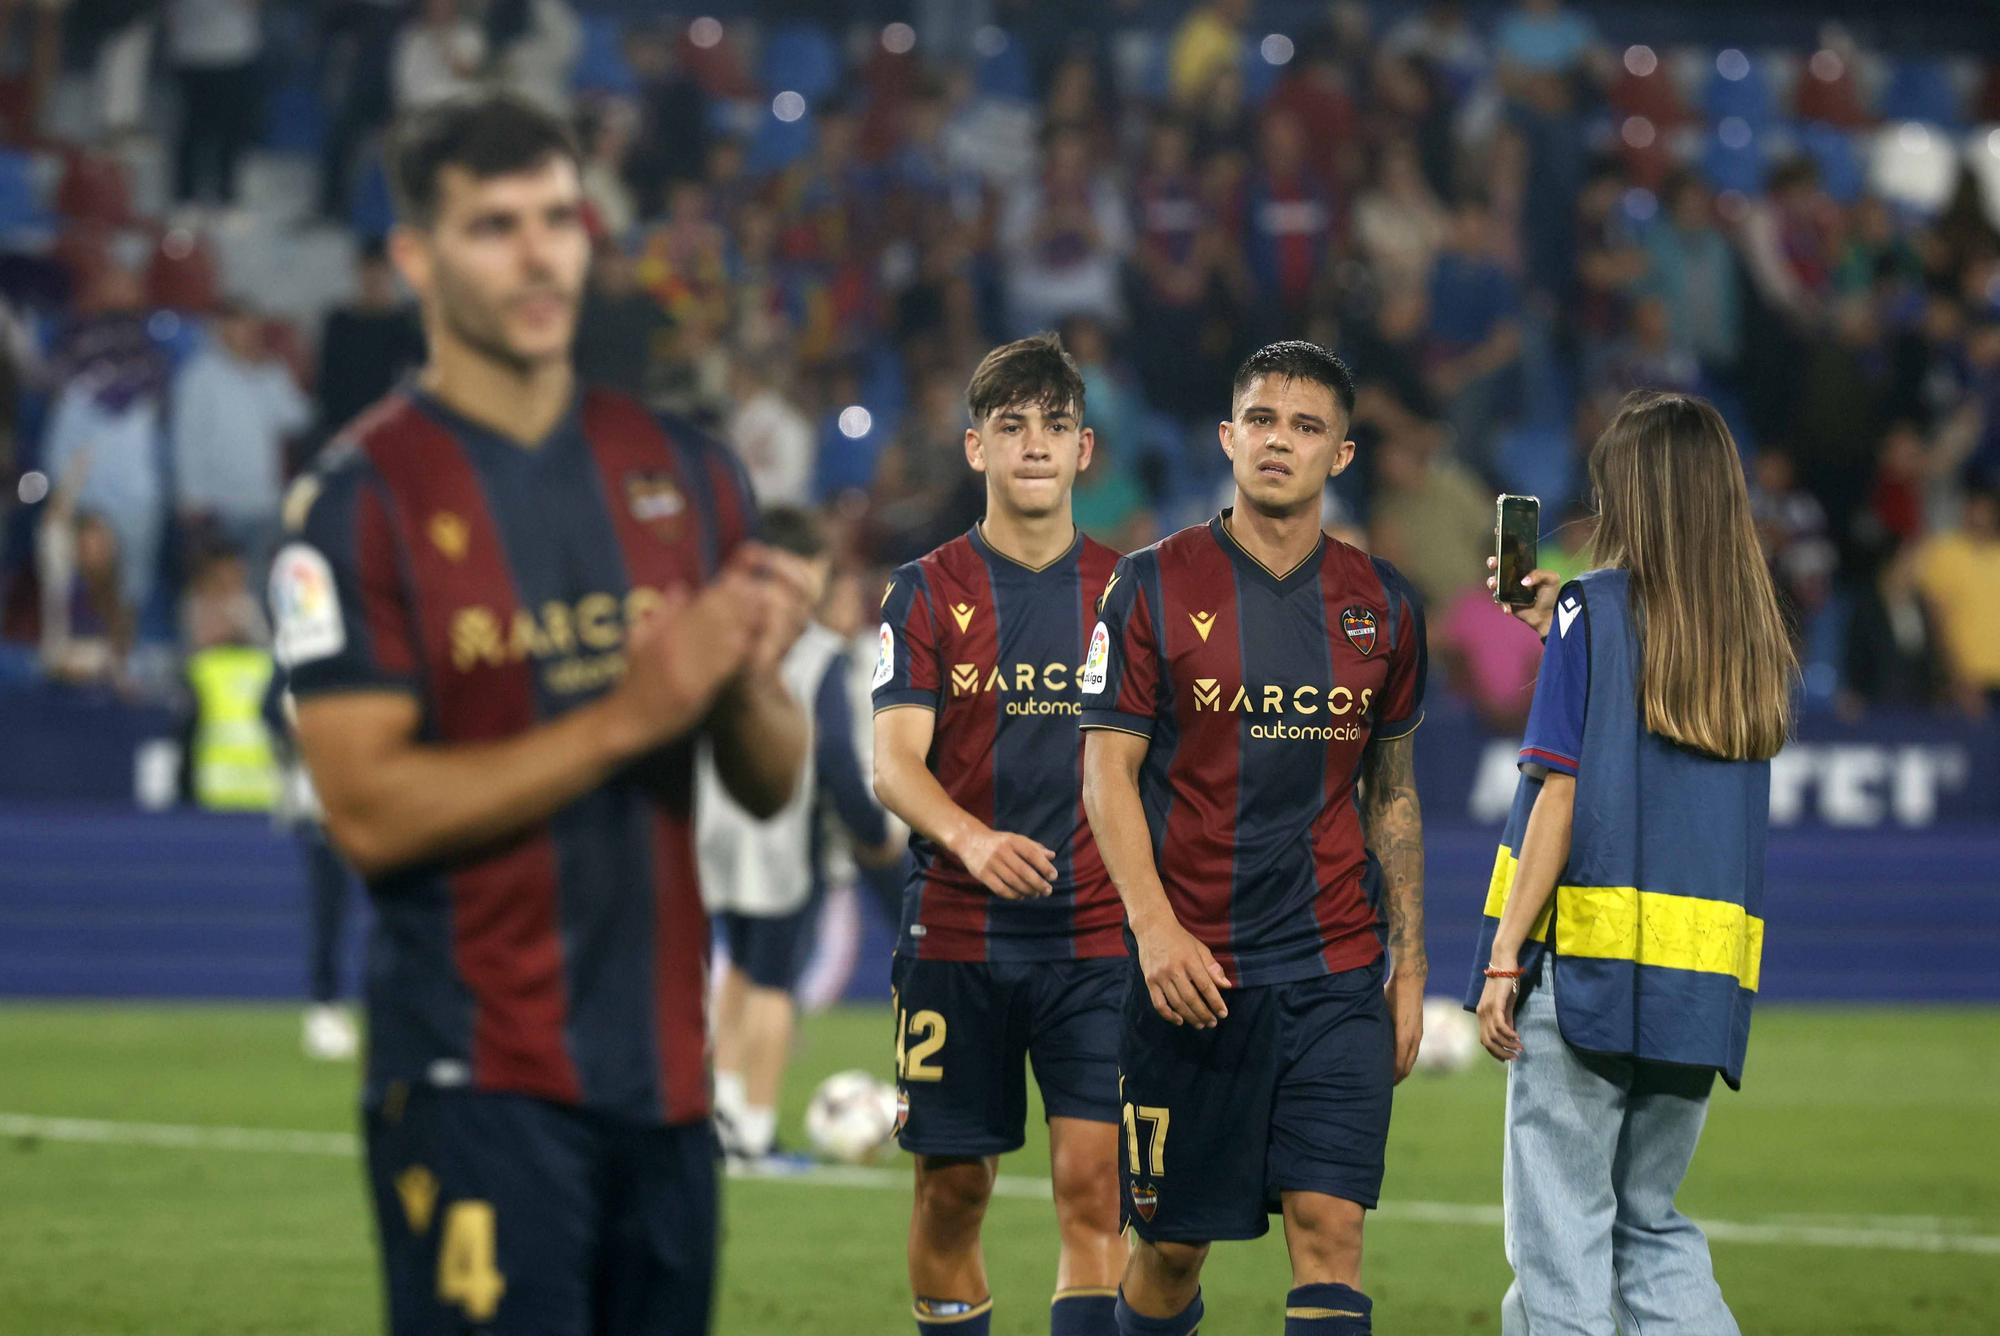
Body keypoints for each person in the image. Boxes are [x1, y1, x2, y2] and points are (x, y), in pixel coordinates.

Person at [271, 93, 814, 1335]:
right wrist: (628, 714)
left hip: (672, 1092)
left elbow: (771, 777)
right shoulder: (359, 502)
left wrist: (745, 677)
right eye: (494, 225)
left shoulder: (687, 468)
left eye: (559, 219)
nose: (538, 254)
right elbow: (367, 810)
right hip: (473, 1084)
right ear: (416, 257)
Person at [1081, 341, 1429, 1335]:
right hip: (1188, 977)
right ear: (1228, 437)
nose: (1280, 440)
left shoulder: (1383, 607)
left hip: (1332, 971)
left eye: (1306, 426)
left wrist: (1405, 968)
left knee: (1328, 1230)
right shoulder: (1146, 585)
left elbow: (1391, 796)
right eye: (1263, 421)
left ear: (1341, 456)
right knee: (1173, 1248)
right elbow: (1103, 771)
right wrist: (1151, 930)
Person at [1469, 391, 1795, 1335]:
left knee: (1559, 1251)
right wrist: (1562, 633)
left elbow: (1561, 796)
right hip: (1701, 986)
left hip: (1591, 978)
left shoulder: (1594, 610)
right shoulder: (1753, 639)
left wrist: (1502, 958)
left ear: (1637, 496)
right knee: (1650, 1231)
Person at [872, 333, 1127, 1336]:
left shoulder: (1131, 593)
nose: (1033, 445)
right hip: (955, 929)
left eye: (1053, 427)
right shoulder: (925, 589)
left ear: (1084, 450)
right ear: (974, 447)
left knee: (1092, 1180)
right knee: (952, 1192)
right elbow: (894, 762)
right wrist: (971, 841)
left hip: (1096, 934)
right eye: (1010, 426)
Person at [699, 505, 902, 1168]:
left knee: (739, 975)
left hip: (721, 825)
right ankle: (754, 1133)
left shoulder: (729, 628)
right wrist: (874, 833)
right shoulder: (815, 652)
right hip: (784, 832)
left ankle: (723, 1116)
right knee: (774, 983)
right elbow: (839, 758)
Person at [171, 301, 312, 574]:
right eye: (239, 326)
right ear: (222, 329)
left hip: (265, 503)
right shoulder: (199, 377)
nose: (247, 334)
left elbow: (298, 419)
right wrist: (191, 497)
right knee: (222, 588)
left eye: (251, 327)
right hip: (218, 507)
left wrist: (273, 375)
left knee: (261, 587)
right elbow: (188, 440)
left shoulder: (268, 373)